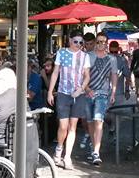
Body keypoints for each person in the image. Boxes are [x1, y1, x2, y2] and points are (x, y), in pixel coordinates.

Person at [47, 32, 90, 169]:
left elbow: (87, 76)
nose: (78, 44)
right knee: (63, 126)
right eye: (76, 41)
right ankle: (59, 148)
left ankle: (67, 156)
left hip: (78, 94)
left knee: (73, 126)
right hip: (63, 93)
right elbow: (55, 72)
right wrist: (50, 91)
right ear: (70, 40)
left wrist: (81, 89)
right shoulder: (62, 53)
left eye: (81, 42)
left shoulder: (85, 56)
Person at [83, 33, 117, 166]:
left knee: (98, 120)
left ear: (106, 43)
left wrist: (113, 92)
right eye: (98, 42)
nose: (100, 44)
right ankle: (93, 147)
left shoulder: (112, 59)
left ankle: (96, 151)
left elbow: (114, 75)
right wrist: (87, 89)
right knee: (90, 122)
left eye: (103, 42)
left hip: (102, 94)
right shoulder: (88, 56)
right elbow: (83, 75)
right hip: (88, 93)